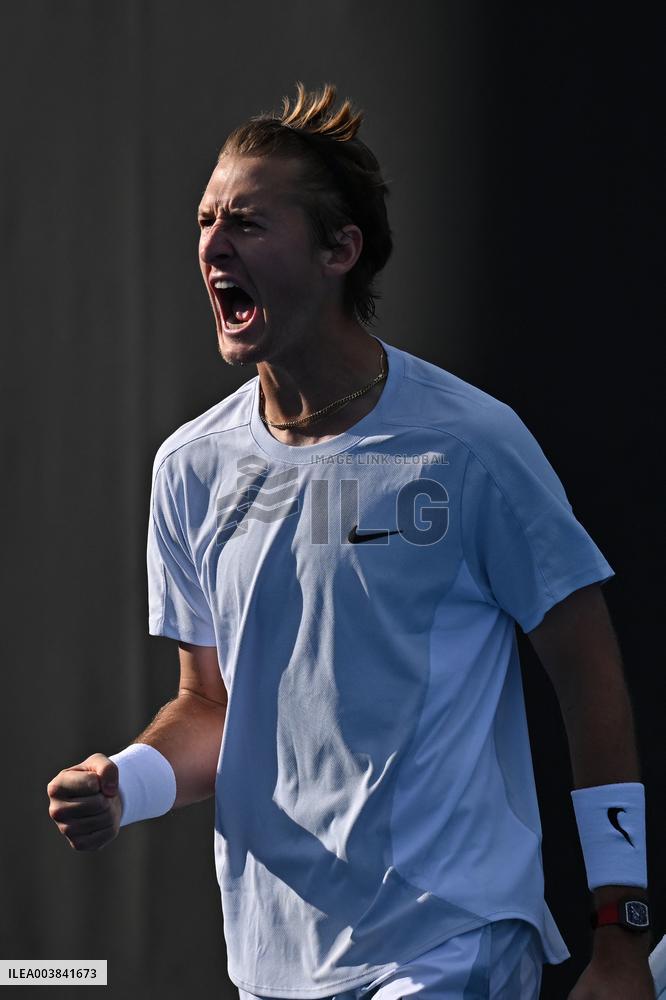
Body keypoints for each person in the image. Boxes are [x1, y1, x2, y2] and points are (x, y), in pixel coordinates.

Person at [47, 83, 654, 999]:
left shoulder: (471, 444)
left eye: (248, 223)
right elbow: (212, 706)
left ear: (340, 250)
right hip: (271, 962)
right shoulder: (190, 468)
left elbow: (588, 672)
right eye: (206, 219)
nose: (213, 244)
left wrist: (621, 931)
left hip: (451, 948)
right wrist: (123, 783)